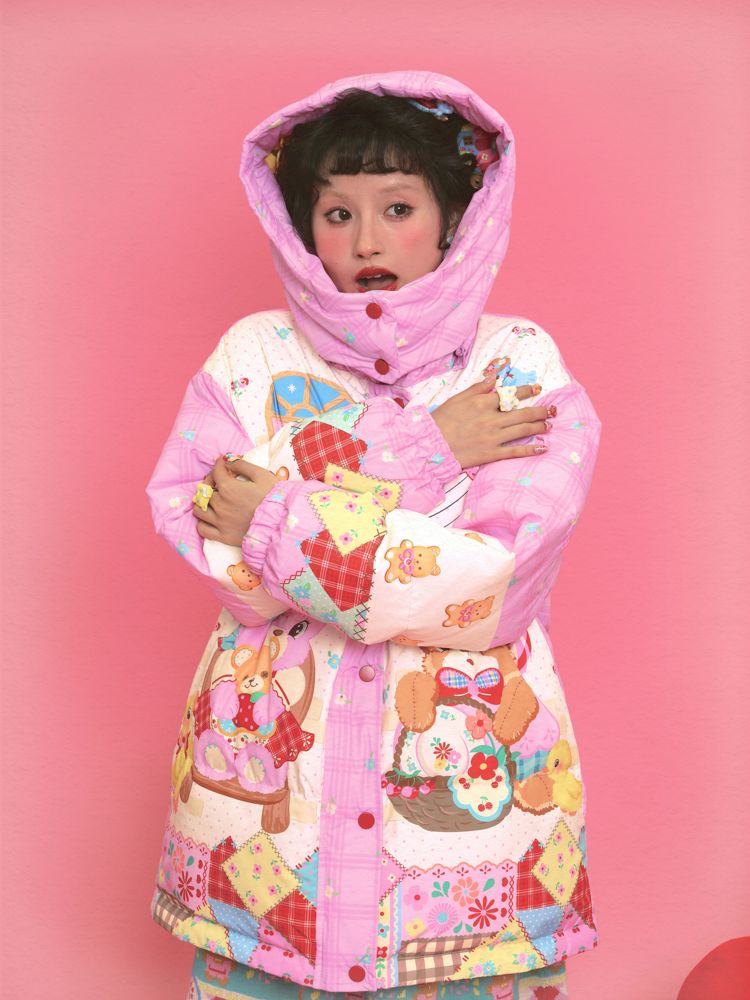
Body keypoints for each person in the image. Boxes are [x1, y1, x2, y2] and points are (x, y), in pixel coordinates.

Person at [147, 71, 601, 1000]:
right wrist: (427, 454)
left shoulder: (518, 365)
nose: (365, 241)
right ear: (300, 228)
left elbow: (486, 587)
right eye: (336, 213)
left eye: (398, 207)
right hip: (266, 822)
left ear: (453, 218)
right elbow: (224, 561)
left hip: (464, 835)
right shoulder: (250, 358)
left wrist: (277, 513)